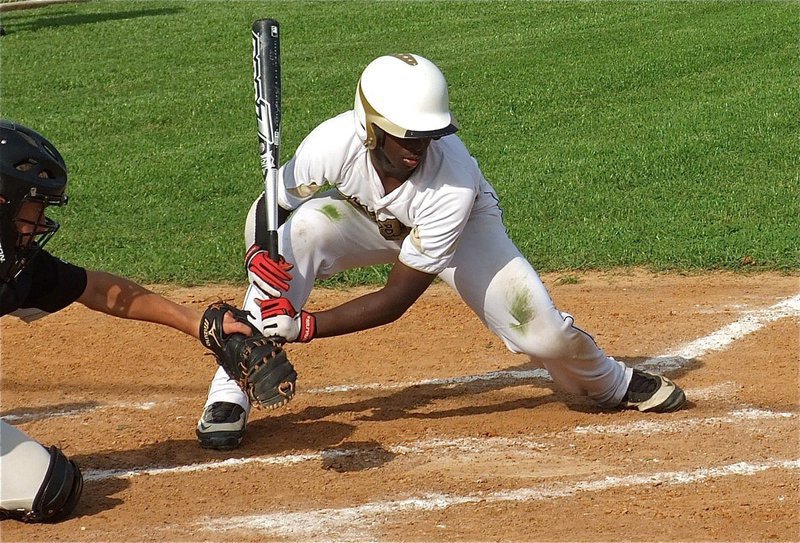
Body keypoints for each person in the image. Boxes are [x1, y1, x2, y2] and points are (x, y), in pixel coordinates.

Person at [196, 53, 687, 450]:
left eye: (430, 134)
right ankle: (232, 387)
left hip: (462, 233)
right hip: (370, 222)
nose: (420, 145)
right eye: (408, 134)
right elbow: (272, 203)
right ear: (372, 125)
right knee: (298, 233)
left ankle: (610, 382)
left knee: (543, 336)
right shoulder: (334, 142)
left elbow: (395, 299)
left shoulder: (451, 183)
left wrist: (306, 326)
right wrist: (257, 249)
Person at [0, 120, 252, 522]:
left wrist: (198, 324)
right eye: (34, 208)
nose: (41, 222)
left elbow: (98, 290)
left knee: (51, 487)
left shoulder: (12, 266)